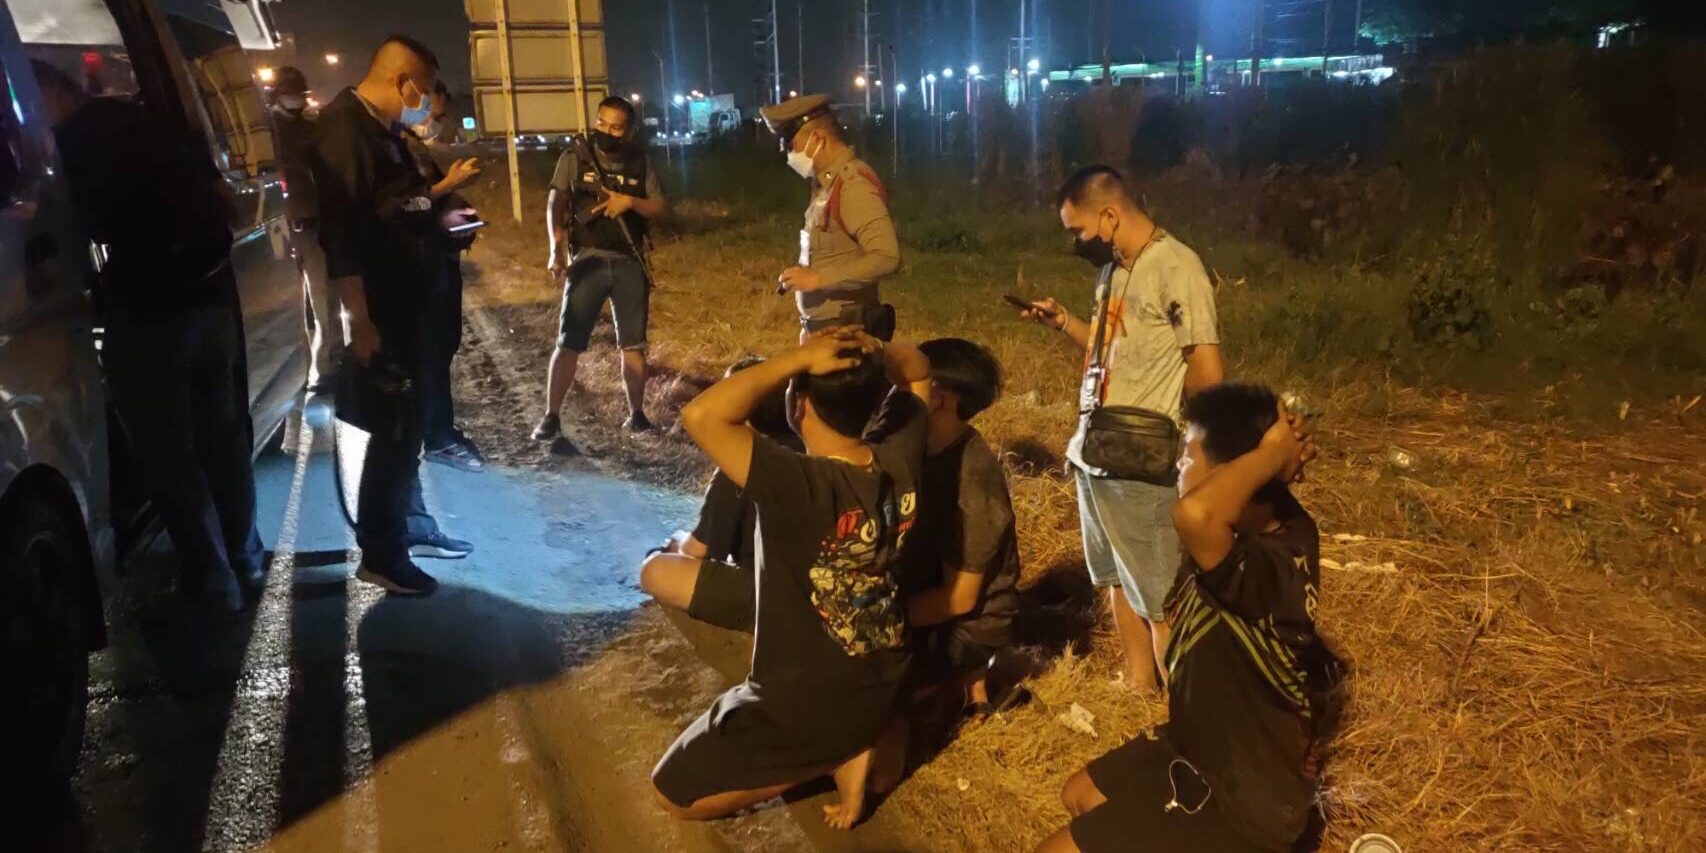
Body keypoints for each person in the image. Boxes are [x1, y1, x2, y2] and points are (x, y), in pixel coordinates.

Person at [1037, 384, 1341, 853]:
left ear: (1227, 474)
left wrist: (1269, 456)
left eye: (1188, 454)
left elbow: (1195, 515)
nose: (1178, 464)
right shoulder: (1288, 527)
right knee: (1079, 795)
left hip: (1245, 801)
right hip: (1201, 747)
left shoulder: (1261, 568)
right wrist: (1276, 456)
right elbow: (1241, 498)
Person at [652, 329, 932, 830]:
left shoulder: (798, 483)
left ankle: (833, 759)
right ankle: (865, 738)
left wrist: (796, 358)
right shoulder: (899, 453)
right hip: (887, 678)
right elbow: (919, 371)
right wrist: (869, 347)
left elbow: (702, 414)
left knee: (673, 794)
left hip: (804, 701)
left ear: (798, 404)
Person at [34, 59, 264, 612]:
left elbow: (64, 234)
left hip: (147, 315)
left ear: (47, 94)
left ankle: (212, 584)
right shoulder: (156, 121)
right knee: (223, 443)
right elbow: (227, 205)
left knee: (168, 456)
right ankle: (246, 558)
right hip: (211, 303)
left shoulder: (69, 146)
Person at [1013, 165, 1224, 693]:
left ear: (1109, 215)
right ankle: (1138, 682)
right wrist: (1064, 322)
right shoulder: (1113, 270)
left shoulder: (1177, 267)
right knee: (1114, 578)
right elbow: (1110, 347)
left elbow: (1206, 370)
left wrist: (1201, 454)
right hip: (1095, 449)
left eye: (1078, 230)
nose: (1076, 242)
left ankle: (1186, 707)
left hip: (1139, 455)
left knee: (1158, 595)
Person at [310, 36, 480, 596]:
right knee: (393, 433)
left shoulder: (383, 131)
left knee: (409, 429)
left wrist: (445, 220)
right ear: (404, 82)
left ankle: (408, 530)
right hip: (384, 309)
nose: (426, 101)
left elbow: (402, 207)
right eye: (424, 90)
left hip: (413, 304)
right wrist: (359, 320)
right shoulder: (345, 131)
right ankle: (382, 555)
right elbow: (344, 235)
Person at [533, 95, 668, 445]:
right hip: (587, 260)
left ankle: (636, 416)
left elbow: (659, 206)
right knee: (569, 342)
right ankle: (551, 416)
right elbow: (555, 203)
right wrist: (556, 250)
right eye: (602, 123)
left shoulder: (640, 162)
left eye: (616, 127)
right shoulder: (575, 157)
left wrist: (630, 202)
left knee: (633, 345)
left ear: (629, 131)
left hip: (629, 261)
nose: (607, 131)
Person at [898, 338, 1022, 713]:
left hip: (967, 627)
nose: (896, 389)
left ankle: (961, 683)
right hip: (932, 605)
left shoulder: (973, 479)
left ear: (942, 398)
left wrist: (879, 620)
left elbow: (960, 598)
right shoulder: (930, 448)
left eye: (910, 381)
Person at [638, 355, 799, 632]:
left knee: (654, 569)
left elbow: (698, 550)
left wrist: (677, 545)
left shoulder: (740, 462)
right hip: (817, 582)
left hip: (771, 595)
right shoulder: (808, 447)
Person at [758, 94, 901, 340]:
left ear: (818, 139)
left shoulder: (852, 185)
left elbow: (886, 257)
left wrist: (818, 279)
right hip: (823, 332)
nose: (789, 155)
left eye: (791, 146)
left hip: (846, 334)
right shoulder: (826, 184)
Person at [403, 80, 486, 472]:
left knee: (441, 348)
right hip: (421, 267)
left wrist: (457, 203)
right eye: (429, 96)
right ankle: (433, 435)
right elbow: (405, 204)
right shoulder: (392, 145)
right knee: (430, 353)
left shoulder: (411, 142)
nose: (435, 105)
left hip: (438, 262)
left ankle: (436, 429)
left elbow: (428, 195)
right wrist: (450, 186)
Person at [269, 66, 340, 393]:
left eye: (297, 92)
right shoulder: (267, 132)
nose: (294, 99)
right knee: (295, 310)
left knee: (324, 303)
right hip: (282, 229)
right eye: (289, 92)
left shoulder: (312, 127)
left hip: (313, 226)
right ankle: (307, 372)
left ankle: (324, 369)